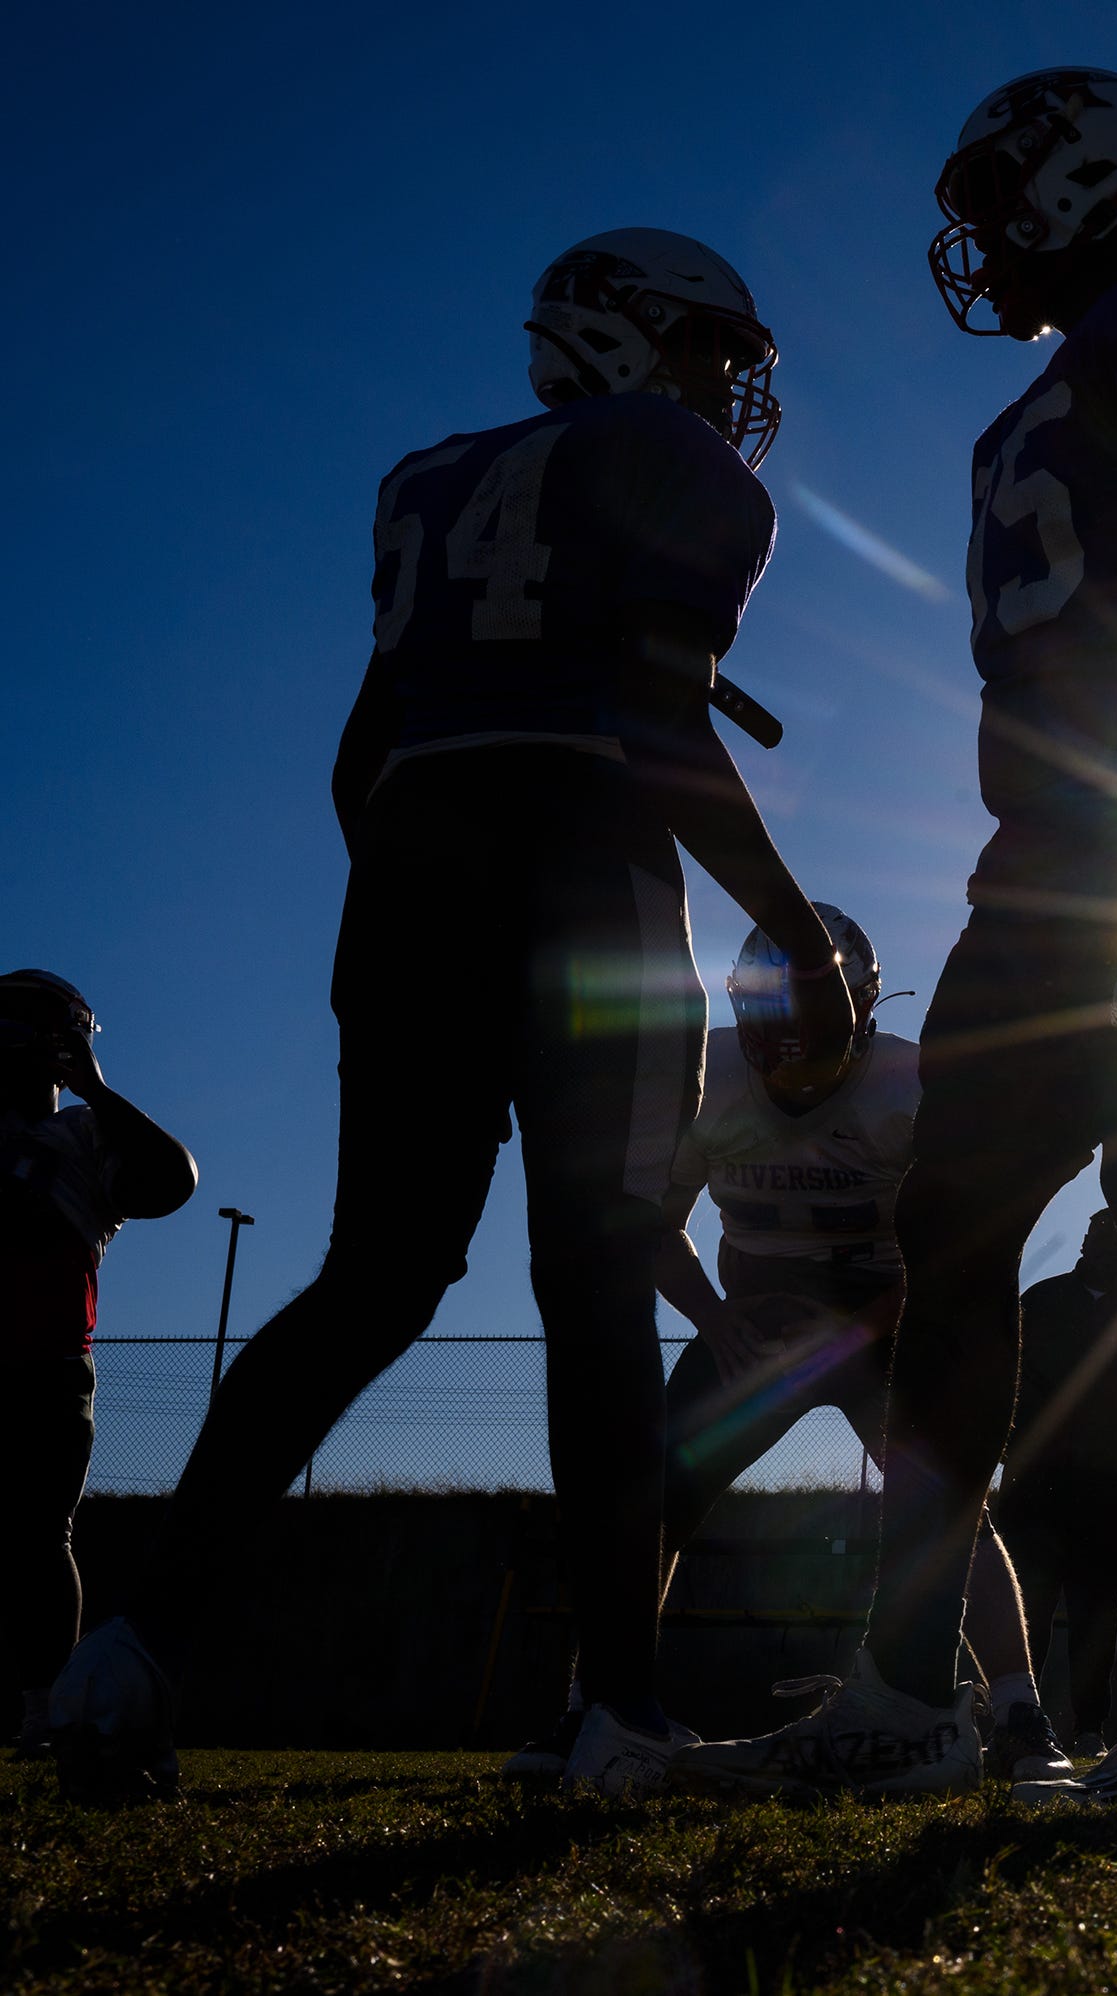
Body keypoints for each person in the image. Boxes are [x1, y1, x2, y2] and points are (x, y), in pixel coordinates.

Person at [49, 230, 853, 1801]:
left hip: (409, 883)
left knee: (373, 1274)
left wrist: (428, 918)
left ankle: (132, 1648)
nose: (721, 387)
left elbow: (364, 754)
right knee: (597, 1288)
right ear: (626, 334)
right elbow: (651, 711)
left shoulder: (425, 477)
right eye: (705, 348)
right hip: (582, 873)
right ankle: (617, 1705)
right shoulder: (680, 469)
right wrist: (791, 930)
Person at [678, 68, 1117, 1806]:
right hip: (1039, 864)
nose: (974, 234)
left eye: (1000, 193)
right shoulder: (1037, 406)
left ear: (1098, 178)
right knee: (951, 1231)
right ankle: (909, 1688)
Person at [503, 906, 1070, 1786]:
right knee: (656, 1489)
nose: (798, 1068)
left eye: (816, 1040)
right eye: (779, 1040)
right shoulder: (708, 1074)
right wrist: (717, 1318)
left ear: (863, 1016)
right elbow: (652, 1225)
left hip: (889, 1304)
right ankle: (602, 1705)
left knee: (947, 1504)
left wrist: (855, 1328)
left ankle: (1023, 1715)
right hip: (757, 1316)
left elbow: (960, 1247)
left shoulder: (908, 1089)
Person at [1, 972, 195, 1757]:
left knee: (39, 1536)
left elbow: (173, 1179)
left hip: (44, 1364)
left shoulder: (85, 1134)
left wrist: (98, 1089)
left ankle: (45, 1710)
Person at [994, 1210, 1117, 1757]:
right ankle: (1017, 1720)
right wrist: (1008, 1458)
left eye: (1116, 1239)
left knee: (1095, 1614)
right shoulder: (1040, 1304)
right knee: (1030, 1610)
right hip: (1037, 1485)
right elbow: (1004, 1385)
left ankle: (1089, 1727)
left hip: (1108, 1492)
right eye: (1096, 1235)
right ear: (1085, 1241)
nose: (1104, 1247)